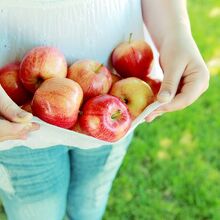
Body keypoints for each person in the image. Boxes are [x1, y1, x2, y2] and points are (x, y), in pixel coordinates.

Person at [0, 0, 209, 220]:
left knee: (90, 201)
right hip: (16, 118)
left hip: (116, 98)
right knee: (38, 213)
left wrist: (176, 32)